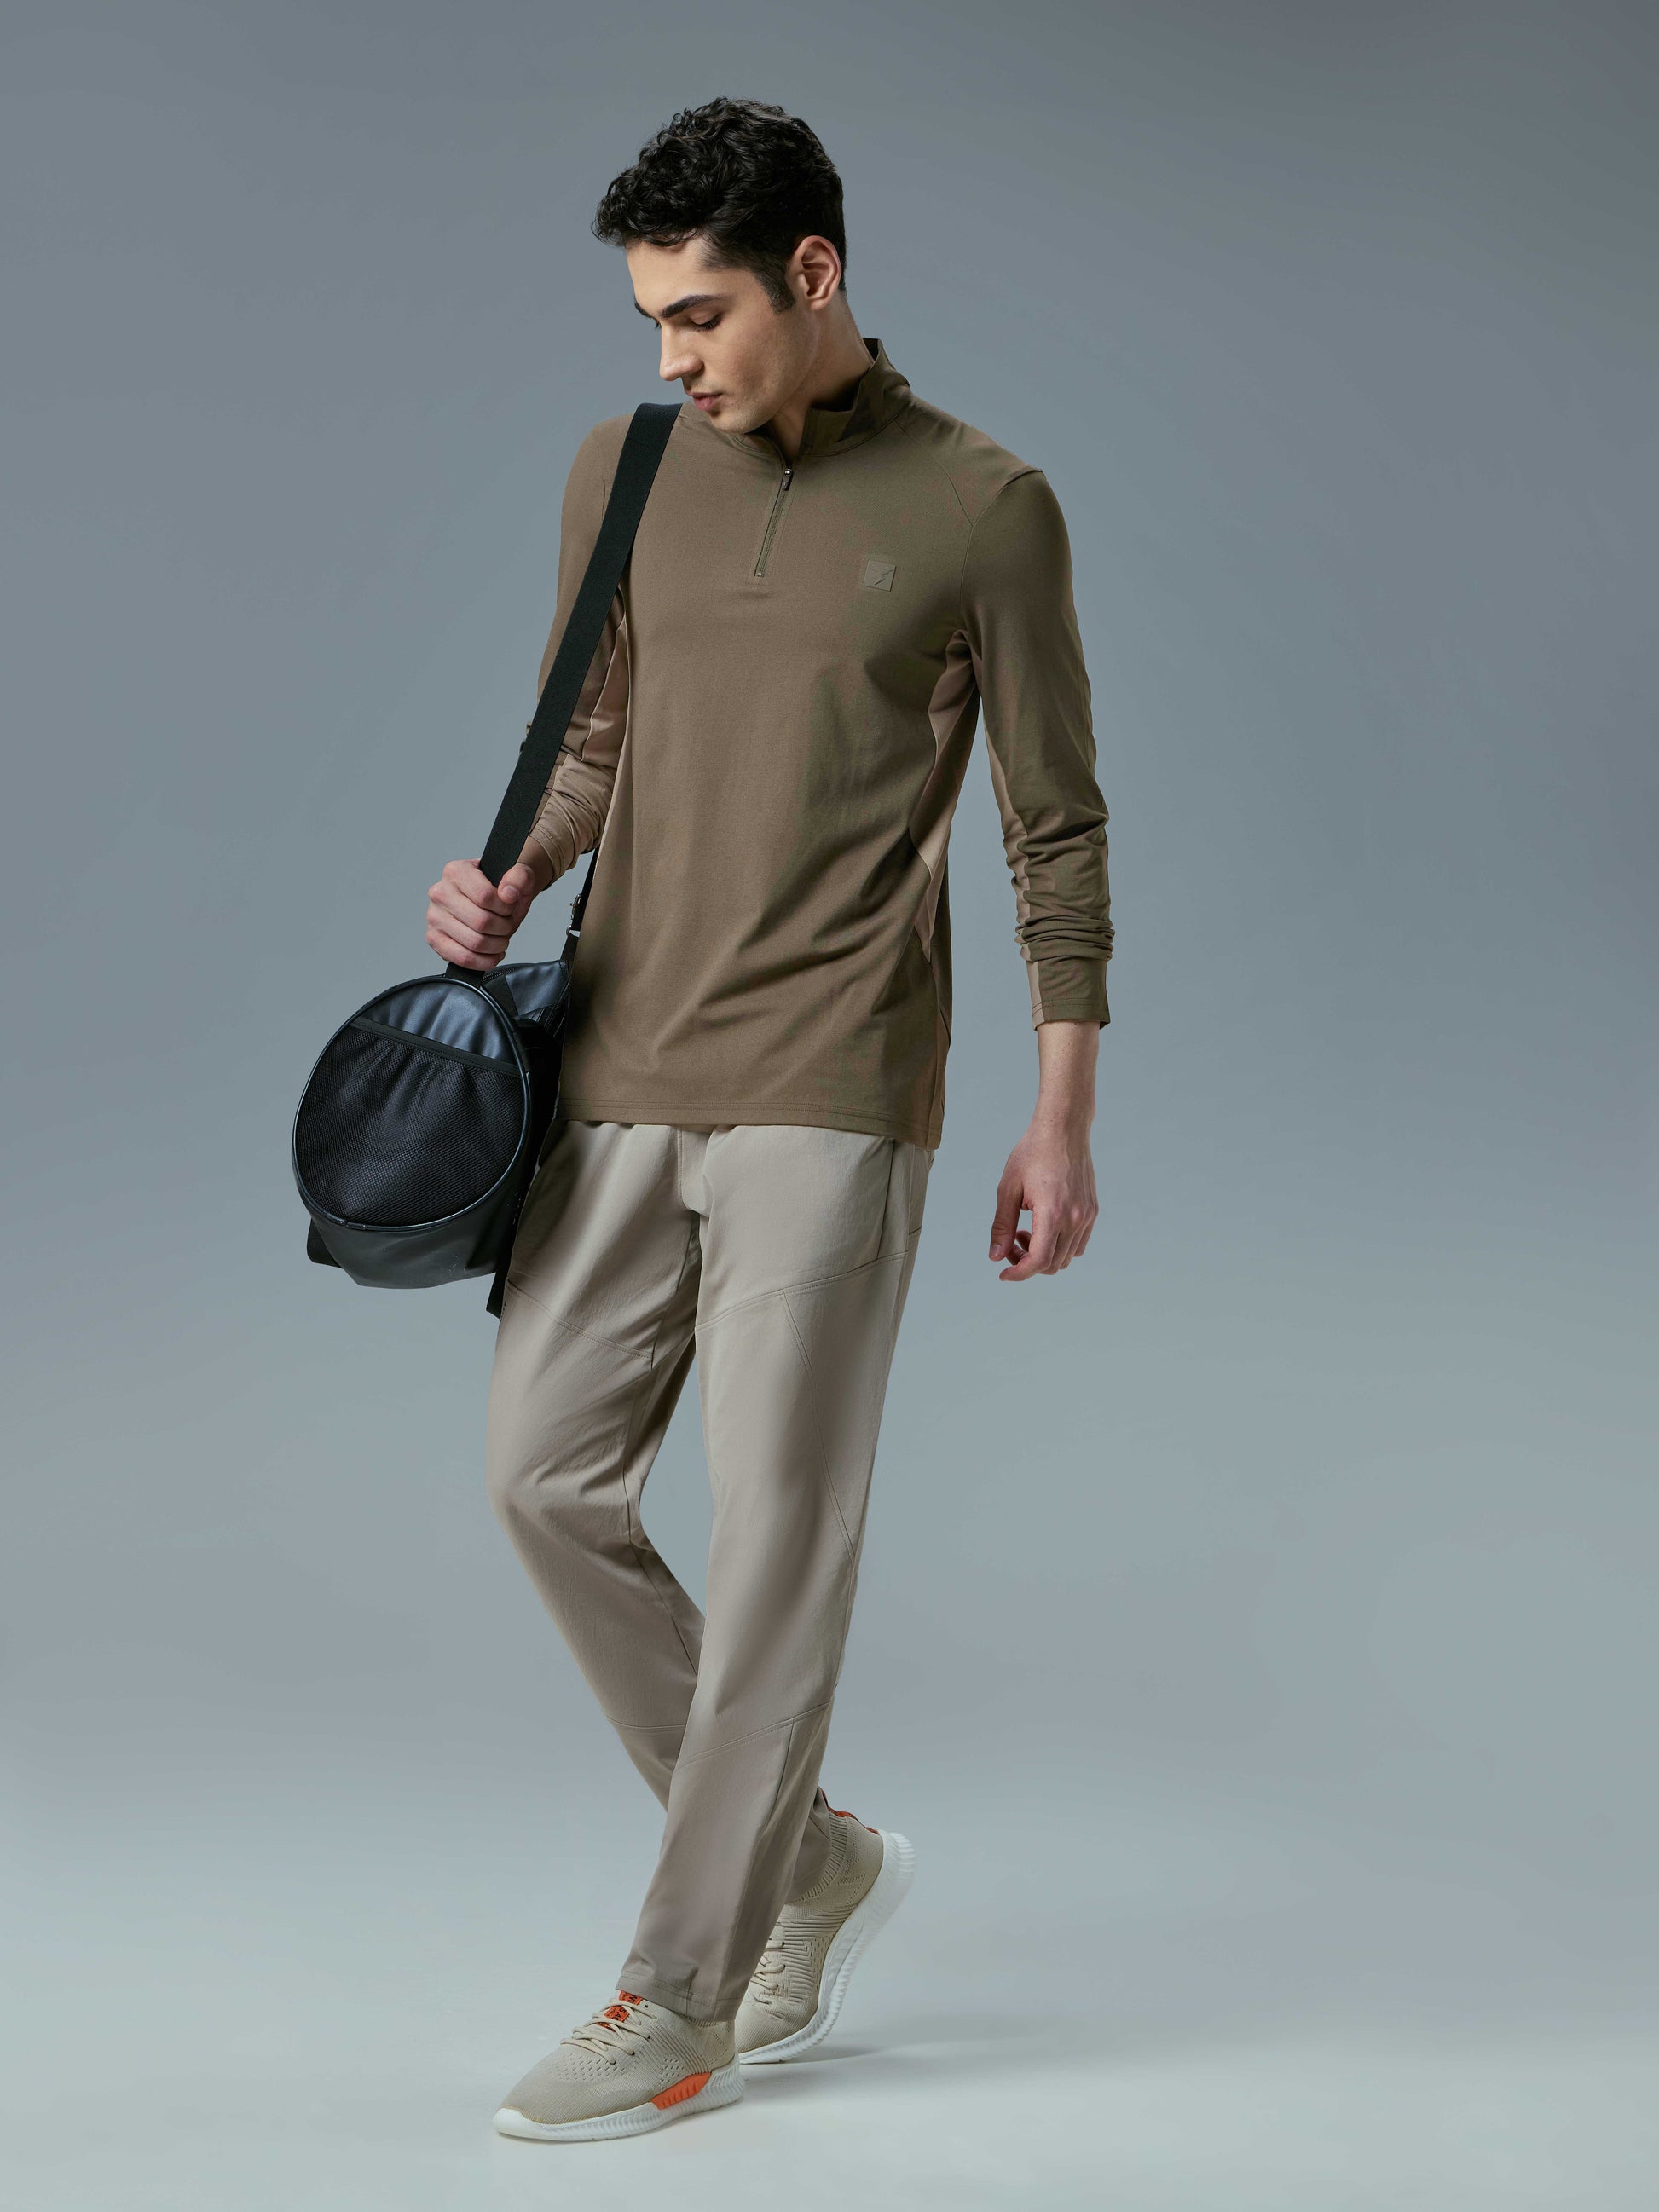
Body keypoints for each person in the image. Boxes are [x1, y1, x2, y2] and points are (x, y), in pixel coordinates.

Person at [425, 95, 1113, 2146]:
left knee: (780, 1541)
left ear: (814, 274)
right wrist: (514, 871)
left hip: (832, 1079)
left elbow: (1055, 831)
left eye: (701, 313)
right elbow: (595, 734)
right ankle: (810, 1857)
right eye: (651, 318)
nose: (673, 357)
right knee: (539, 1476)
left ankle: (680, 1991)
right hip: (619, 1062)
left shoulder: (984, 505)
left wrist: (1057, 1114)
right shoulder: (627, 468)